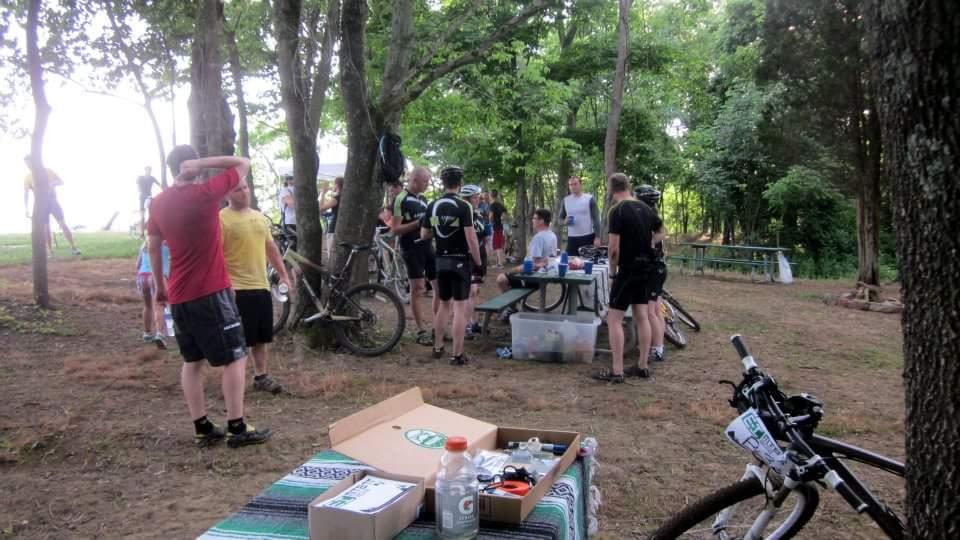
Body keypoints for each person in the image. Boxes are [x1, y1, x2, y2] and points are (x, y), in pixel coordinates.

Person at [147, 144, 271, 448]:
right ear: (191, 165)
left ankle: (202, 427)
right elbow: (243, 162)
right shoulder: (205, 194)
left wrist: (160, 285)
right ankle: (237, 427)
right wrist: (202, 162)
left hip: (179, 294)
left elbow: (152, 244)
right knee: (236, 357)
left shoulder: (159, 203)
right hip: (210, 294)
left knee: (193, 361)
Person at [220, 180, 292, 395]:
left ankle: (261, 376)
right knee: (237, 338)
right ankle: (233, 381)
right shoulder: (221, 219)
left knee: (261, 337)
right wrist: (225, 284)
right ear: (227, 195)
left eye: (245, 188)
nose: (243, 192)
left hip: (260, 285)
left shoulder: (259, 217)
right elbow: (216, 257)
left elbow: (271, 248)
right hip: (235, 288)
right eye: (237, 189)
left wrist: (284, 275)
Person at [592, 173, 665, 384]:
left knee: (614, 319)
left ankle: (617, 371)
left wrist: (613, 273)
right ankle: (642, 366)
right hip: (646, 269)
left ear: (611, 189)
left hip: (628, 269)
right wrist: (650, 244)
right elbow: (661, 232)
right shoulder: (645, 208)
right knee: (642, 316)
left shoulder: (618, 210)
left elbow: (613, 249)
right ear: (628, 185)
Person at [420, 168, 483, 365]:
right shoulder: (464, 206)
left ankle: (437, 346)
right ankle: (457, 355)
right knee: (460, 306)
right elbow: (471, 237)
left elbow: (424, 235)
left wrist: (439, 233)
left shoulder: (433, 205)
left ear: (443, 183)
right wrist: (479, 263)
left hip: (440, 260)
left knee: (444, 304)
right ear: (460, 183)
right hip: (460, 261)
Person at [391, 166, 438, 346]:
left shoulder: (424, 200)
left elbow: (430, 223)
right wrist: (417, 223)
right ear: (415, 180)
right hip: (411, 248)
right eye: (425, 181)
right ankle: (420, 330)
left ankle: (437, 326)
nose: (427, 184)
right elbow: (395, 229)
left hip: (428, 247)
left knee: (439, 288)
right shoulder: (400, 199)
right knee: (418, 288)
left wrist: (437, 225)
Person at [22, 156, 81, 256]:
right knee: (46, 228)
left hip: (52, 202)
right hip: (40, 205)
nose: (28, 166)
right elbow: (26, 193)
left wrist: (52, 183)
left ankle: (73, 247)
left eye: (29, 163)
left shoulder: (48, 171)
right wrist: (26, 208)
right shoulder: (28, 177)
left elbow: (61, 181)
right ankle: (50, 251)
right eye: (26, 164)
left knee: (63, 224)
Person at [636, 184, 667, 363]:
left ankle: (657, 349)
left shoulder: (649, 218)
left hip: (654, 270)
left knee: (651, 312)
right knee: (656, 309)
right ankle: (659, 346)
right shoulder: (653, 217)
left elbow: (657, 238)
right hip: (659, 268)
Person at [495, 209, 558, 293]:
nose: (532, 220)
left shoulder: (539, 238)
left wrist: (516, 269)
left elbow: (535, 263)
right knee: (508, 274)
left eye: (534, 218)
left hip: (533, 276)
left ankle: (513, 302)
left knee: (501, 279)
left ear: (541, 221)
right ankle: (515, 300)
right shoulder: (552, 235)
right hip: (546, 273)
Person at [459, 184, 488, 337]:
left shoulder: (480, 214)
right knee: (470, 291)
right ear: (467, 199)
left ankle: (475, 322)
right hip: (467, 257)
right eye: (475, 197)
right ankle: (466, 325)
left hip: (480, 254)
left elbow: (483, 234)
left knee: (476, 291)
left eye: (478, 196)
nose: (478, 199)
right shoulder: (463, 214)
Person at [135, 239, 170, 348]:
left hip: (142, 276)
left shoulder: (145, 244)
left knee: (147, 306)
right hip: (157, 277)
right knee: (159, 306)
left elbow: (137, 265)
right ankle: (160, 334)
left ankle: (147, 333)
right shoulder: (168, 243)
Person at [558, 176, 602, 256]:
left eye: (575, 184)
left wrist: (598, 237)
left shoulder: (589, 199)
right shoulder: (565, 200)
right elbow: (559, 219)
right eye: (570, 185)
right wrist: (564, 221)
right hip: (572, 238)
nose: (573, 187)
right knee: (570, 263)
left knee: (588, 262)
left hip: (587, 237)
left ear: (580, 185)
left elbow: (596, 219)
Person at [319, 176, 343, 260]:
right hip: (342, 227)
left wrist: (323, 193)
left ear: (337, 185)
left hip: (333, 227)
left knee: (331, 253)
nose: (332, 186)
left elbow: (321, 208)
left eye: (334, 184)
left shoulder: (336, 199)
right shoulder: (344, 197)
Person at [137, 166, 160, 236]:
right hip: (142, 197)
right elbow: (138, 187)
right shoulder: (140, 178)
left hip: (149, 196)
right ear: (145, 171)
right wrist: (141, 193)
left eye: (150, 170)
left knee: (150, 214)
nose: (149, 172)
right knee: (142, 215)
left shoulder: (152, 178)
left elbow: (159, 184)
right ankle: (142, 233)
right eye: (148, 170)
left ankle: (150, 231)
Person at [488, 190, 508, 267]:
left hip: (495, 227)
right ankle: (498, 263)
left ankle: (500, 264)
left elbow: (491, 216)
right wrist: (502, 219)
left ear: (491, 195)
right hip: (500, 226)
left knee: (497, 245)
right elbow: (505, 214)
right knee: (498, 244)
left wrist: (490, 223)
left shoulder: (492, 205)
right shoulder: (500, 204)